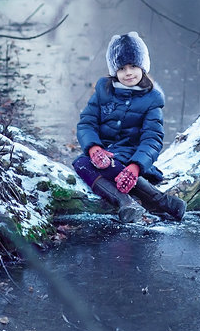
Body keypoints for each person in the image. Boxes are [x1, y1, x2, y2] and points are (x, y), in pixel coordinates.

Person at [72, 32, 187, 223]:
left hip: (131, 157)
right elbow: (87, 122)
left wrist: (135, 166)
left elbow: (152, 139)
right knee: (81, 162)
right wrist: (94, 148)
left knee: (104, 165)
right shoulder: (104, 90)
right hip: (105, 154)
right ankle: (127, 203)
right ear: (114, 71)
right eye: (122, 68)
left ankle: (159, 200)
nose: (128, 73)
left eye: (133, 66)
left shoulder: (152, 98)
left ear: (143, 66)